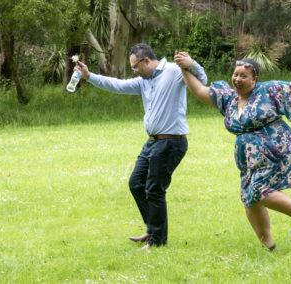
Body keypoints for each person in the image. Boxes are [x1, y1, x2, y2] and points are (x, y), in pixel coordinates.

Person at [175, 53, 291, 251]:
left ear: (255, 79)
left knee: (258, 191)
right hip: (248, 156)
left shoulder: (268, 90)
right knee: (249, 197)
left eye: (244, 76)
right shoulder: (228, 99)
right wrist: (184, 68)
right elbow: (199, 90)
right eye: (236, 74)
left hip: (274, 147)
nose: (238, 79)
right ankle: (268, 247)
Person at [76, 44, 207, 250]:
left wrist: (191, 64)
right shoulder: (144, 81)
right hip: (153, 142)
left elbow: (202, 80)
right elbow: (118, 85)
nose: (134, 72)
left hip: (171, 141)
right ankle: (152, 229)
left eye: (135, 67)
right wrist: (89, 76)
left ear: (146, 61)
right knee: (136, 183)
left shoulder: (173, 71)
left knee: (154, 190)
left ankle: (157, 241)